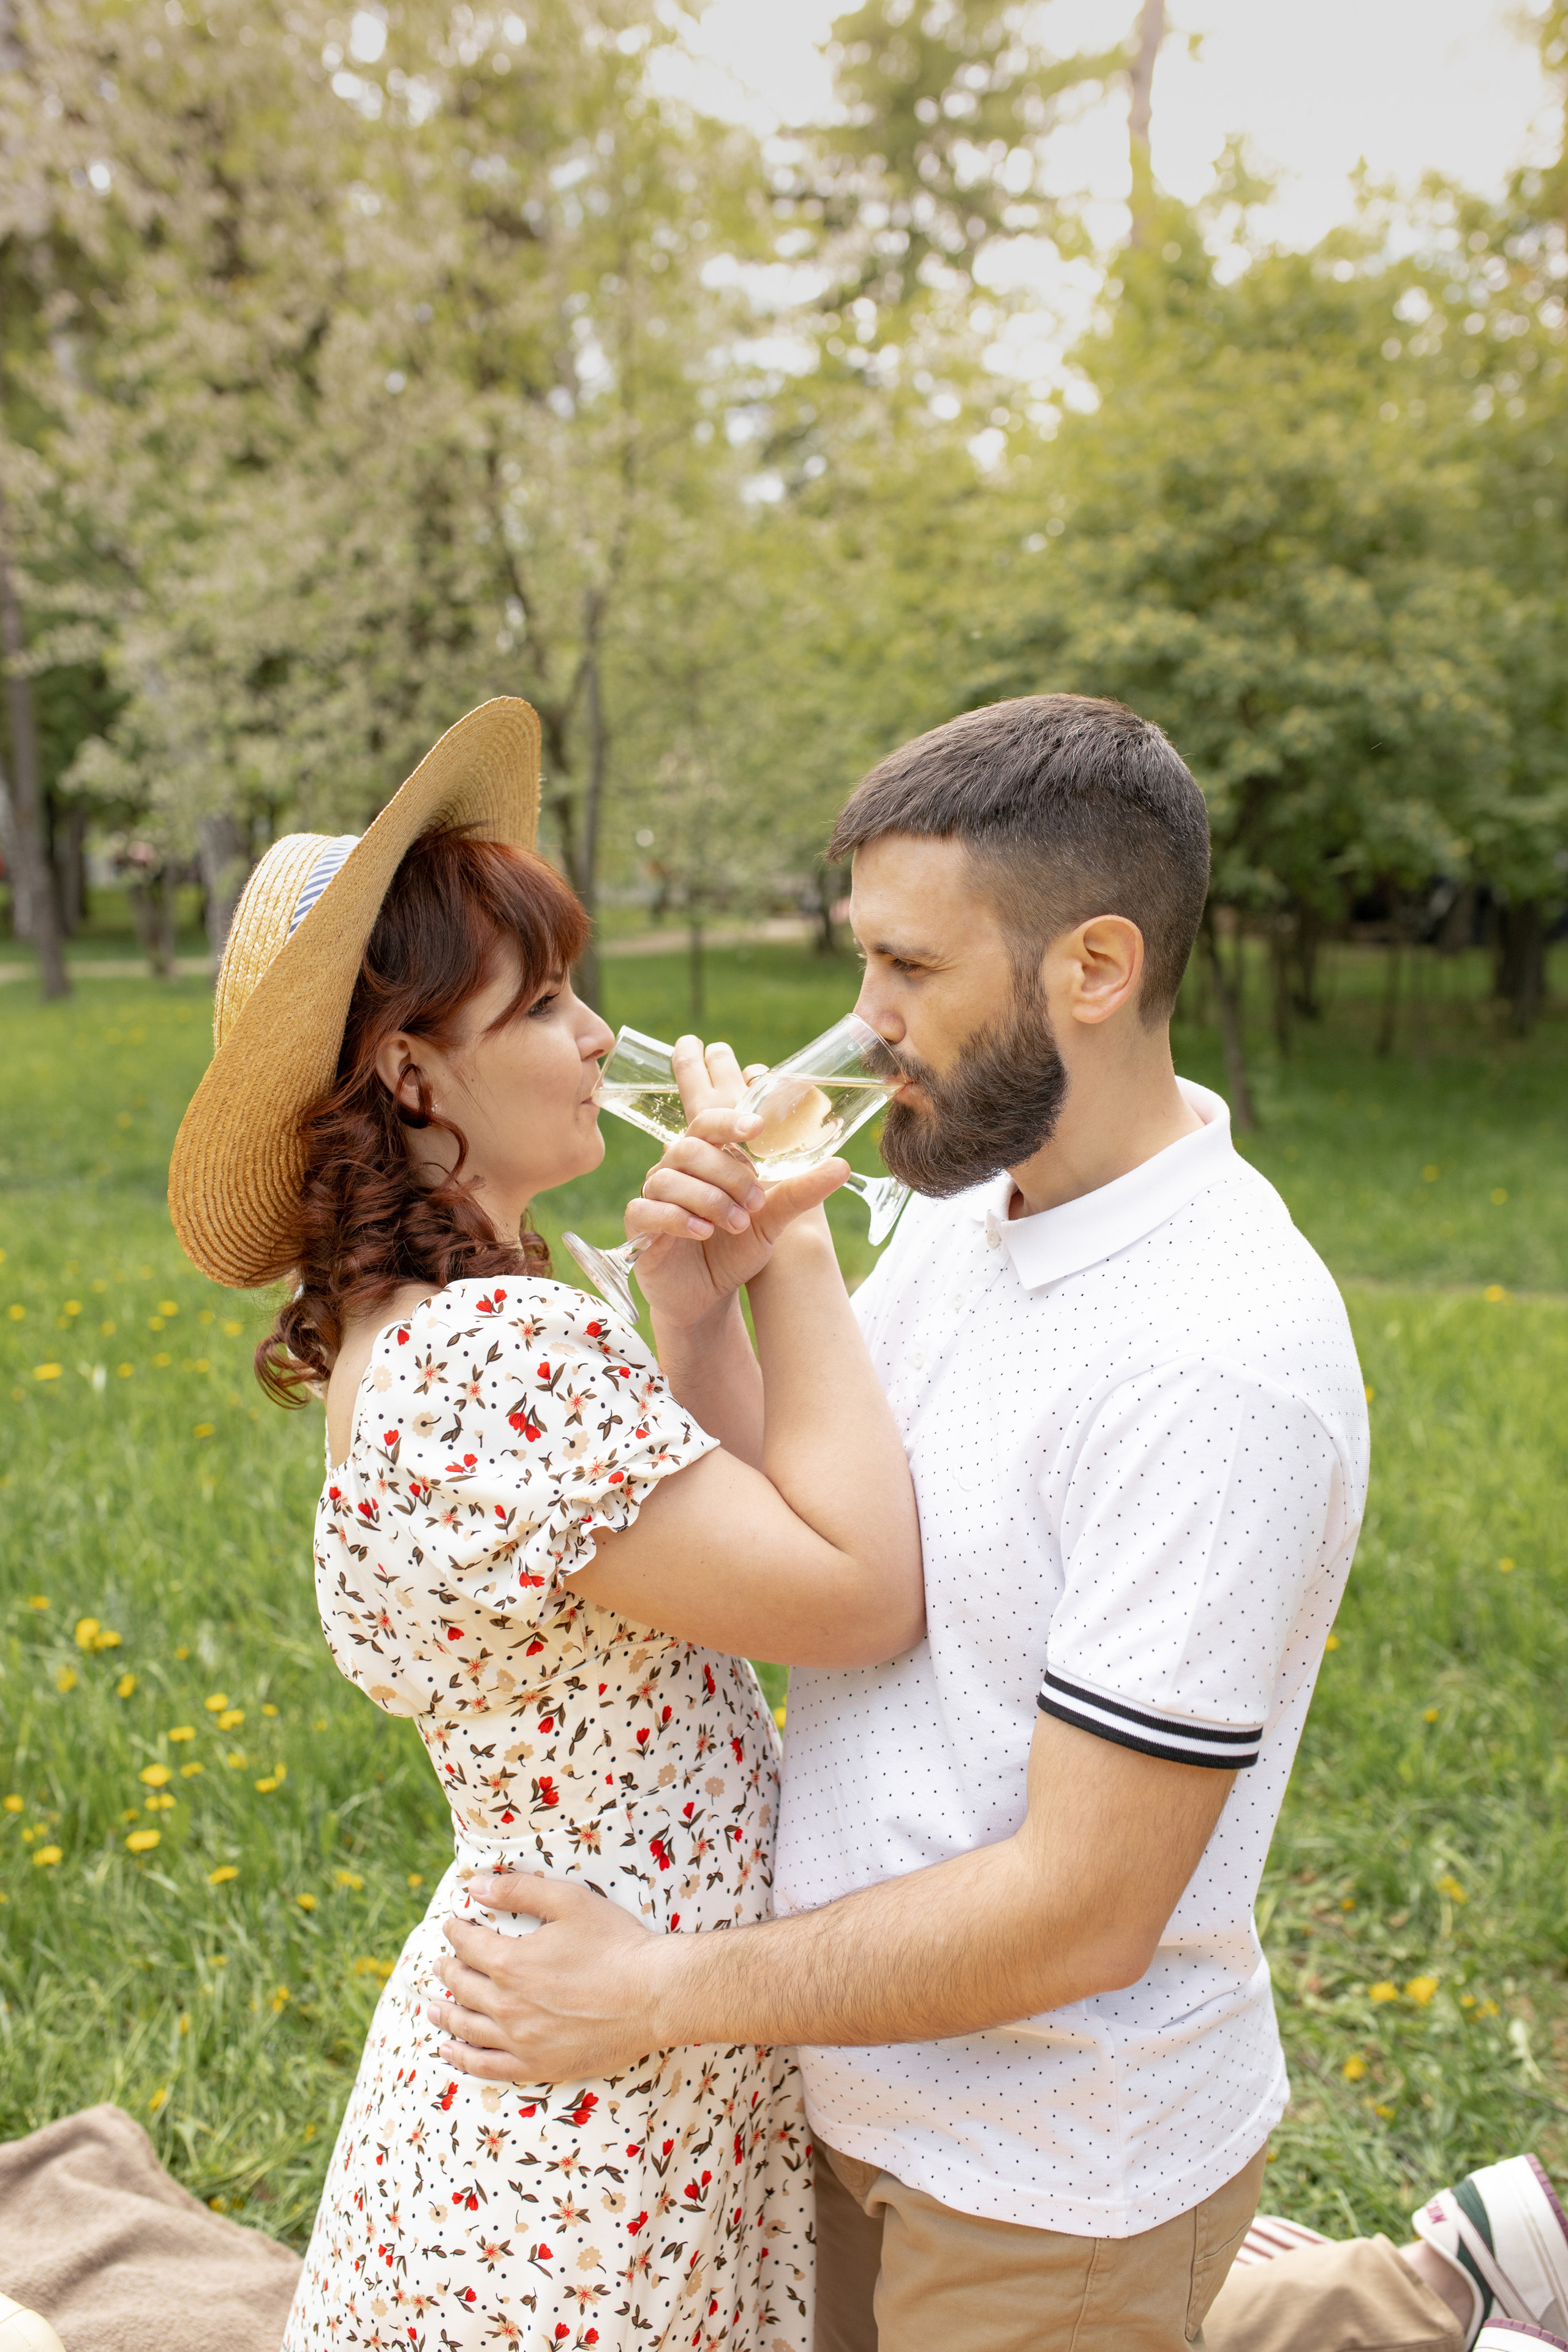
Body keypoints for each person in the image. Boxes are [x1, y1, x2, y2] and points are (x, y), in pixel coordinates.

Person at [424, 695, 1568, 2352]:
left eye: (909, 969)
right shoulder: (986, 1201)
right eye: (863, 960)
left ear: (1091, 970)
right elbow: (847, 1561)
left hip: (1055, 2169)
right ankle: (1413, 2302)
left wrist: (656, 1994)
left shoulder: (1219, 1362)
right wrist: (704, 1318)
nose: (861, 1017)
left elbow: (1080, 1910)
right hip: (843, 2078)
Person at [167, 698, 929, 2352]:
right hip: (592, 2135)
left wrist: (691, 1308)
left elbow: (752, 1572)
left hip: (584, 2071)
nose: (600, 1038)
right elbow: (861, 1591)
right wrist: (794, 1230)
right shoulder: (496, 1356)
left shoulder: (436, 1336)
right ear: (410, 1066)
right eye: (550, 1001)